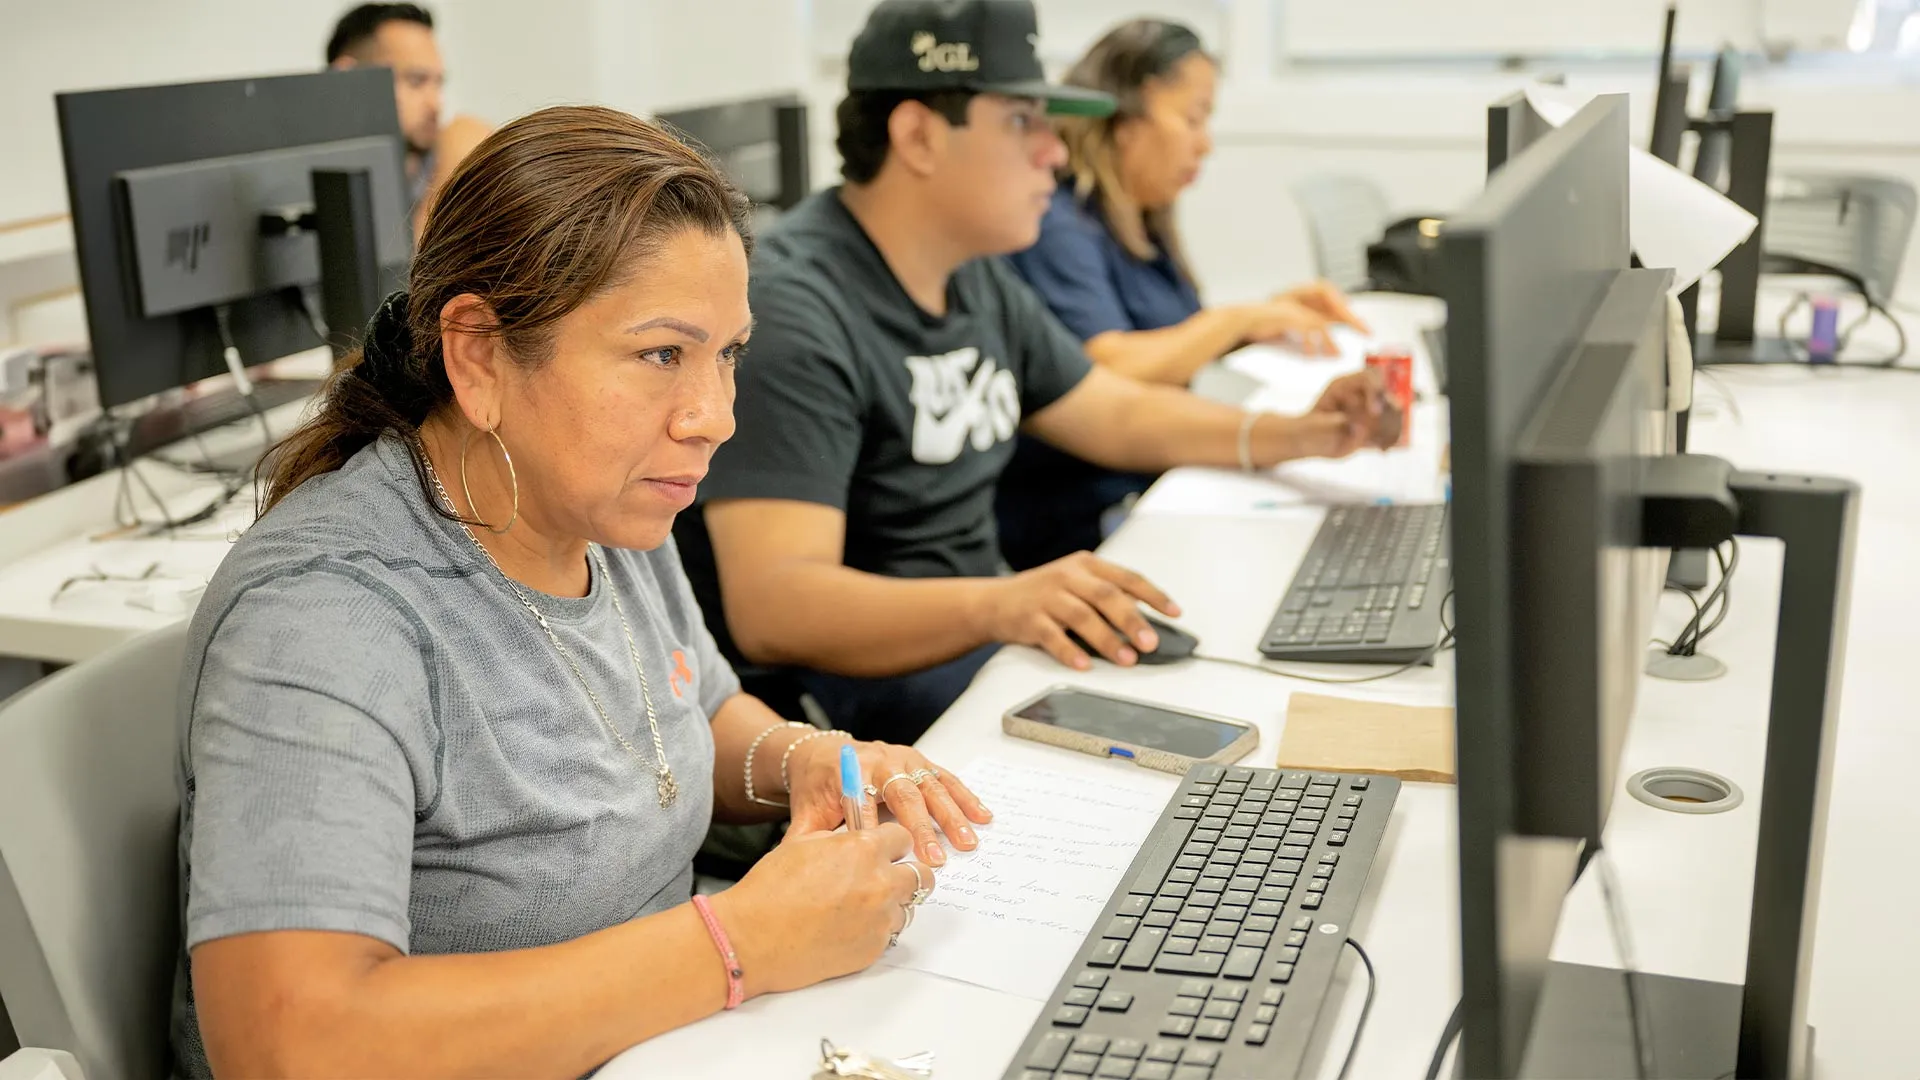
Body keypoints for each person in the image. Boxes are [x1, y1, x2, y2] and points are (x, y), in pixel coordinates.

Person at [171, 106, 991, 1079]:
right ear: (478, 356)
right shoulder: (326, 616)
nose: (715, 417)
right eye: (662, 355)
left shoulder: (603, 502)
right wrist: (740, 945)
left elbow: (693, 715)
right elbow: (289, 1043)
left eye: (727, 354)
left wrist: (805, 760)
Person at [674, 0, 1396, 747]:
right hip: (873, 712)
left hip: (982, 654)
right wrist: (1003, 603)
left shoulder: (971, 272)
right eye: (1023, 121)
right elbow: (777, 610)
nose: (1056, 151)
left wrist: (1299, 434)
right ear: (918, 136)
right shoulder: (794, 309)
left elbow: (1112, 413)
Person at [994, 18, 1373, 568]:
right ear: (1125, 118)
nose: (1205, 143)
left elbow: (1166, 339)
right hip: (1084, 519)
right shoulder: (1057, 222)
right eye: (1193, 118)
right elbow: (1109, 370)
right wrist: (1236, 321)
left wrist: (1267, 317)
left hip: (1150, 480)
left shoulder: (1136, 216)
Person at [326, 2, 491, 234]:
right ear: (348, 78)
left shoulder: (453, 150)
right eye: (416, 81)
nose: (435, 104)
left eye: (438, 83)